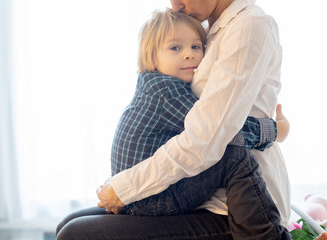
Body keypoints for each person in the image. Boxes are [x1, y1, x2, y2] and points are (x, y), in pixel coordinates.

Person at [57, 0, 296, 239]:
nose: (175, 5)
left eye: (195, 47)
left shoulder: (248, 25)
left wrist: (124, 187)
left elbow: (208, 136)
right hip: (192, 191)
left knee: (75, 234)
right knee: (68, 223)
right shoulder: (207, 27)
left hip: (232, 206)